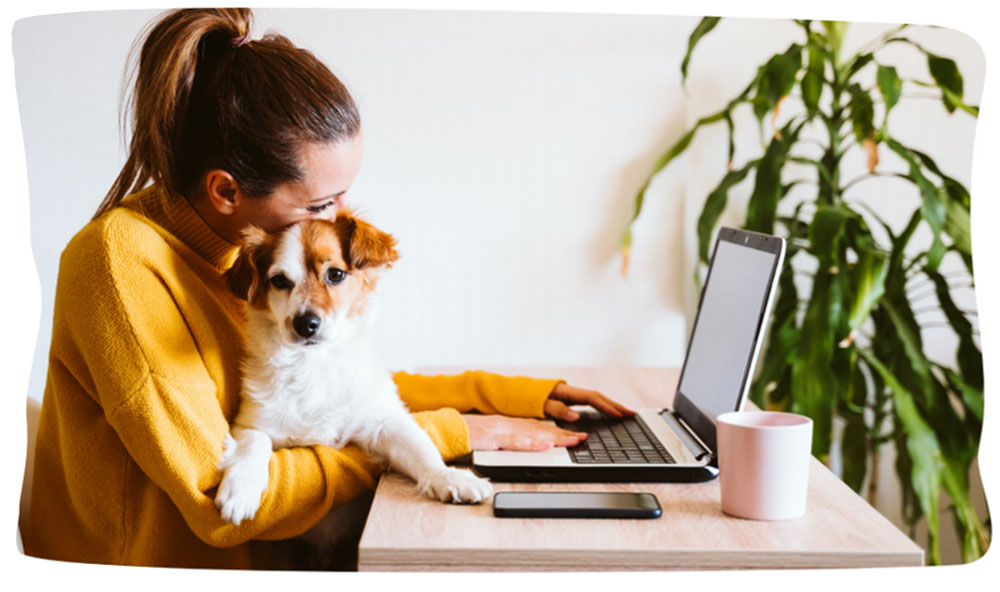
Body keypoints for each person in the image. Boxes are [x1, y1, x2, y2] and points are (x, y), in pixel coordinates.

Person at [21, 8, 633, 569]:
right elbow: (220, 504)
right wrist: (445, 436)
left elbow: (332, 388)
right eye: (322, 201)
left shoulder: (245, 249)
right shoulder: (121, 264)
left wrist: (504, 396)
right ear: (227, 191)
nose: (342, 218)